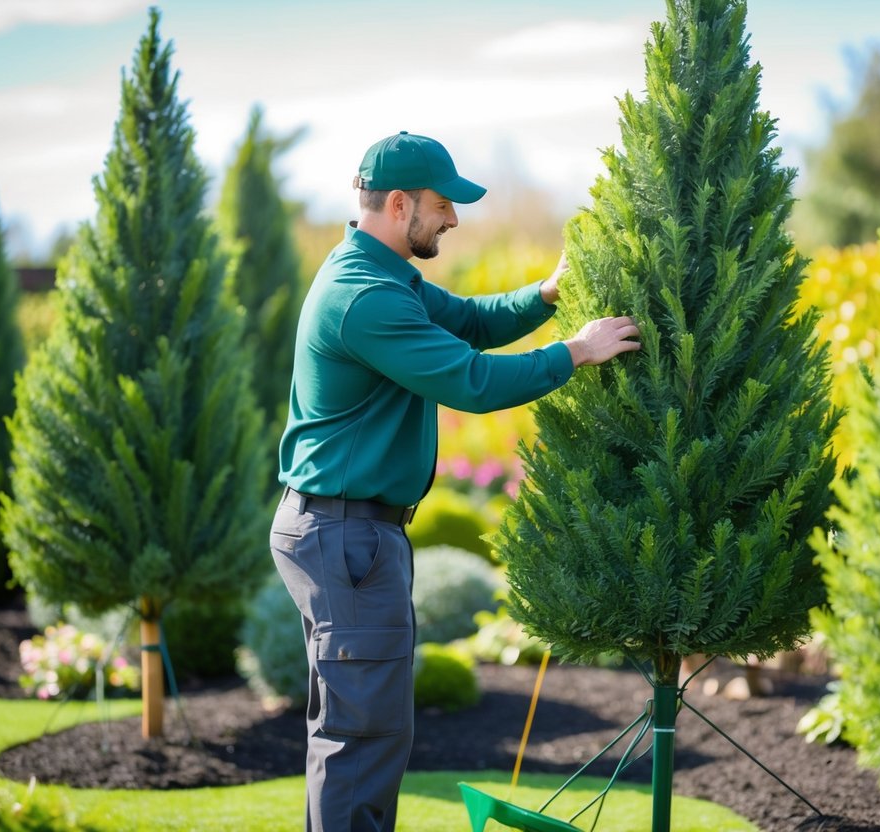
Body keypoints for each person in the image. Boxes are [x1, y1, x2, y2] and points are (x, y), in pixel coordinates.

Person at [270, 130, 640, 832]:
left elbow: (467, 322)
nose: (454, 219)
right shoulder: (363, 297)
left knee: (363, 730)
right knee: (362, 739)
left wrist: (547, 294)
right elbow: (469, 381)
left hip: (347, 530)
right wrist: (576, 351)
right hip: (343, 533)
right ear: (400, 203)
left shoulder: (385, 276)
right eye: (443, 205)